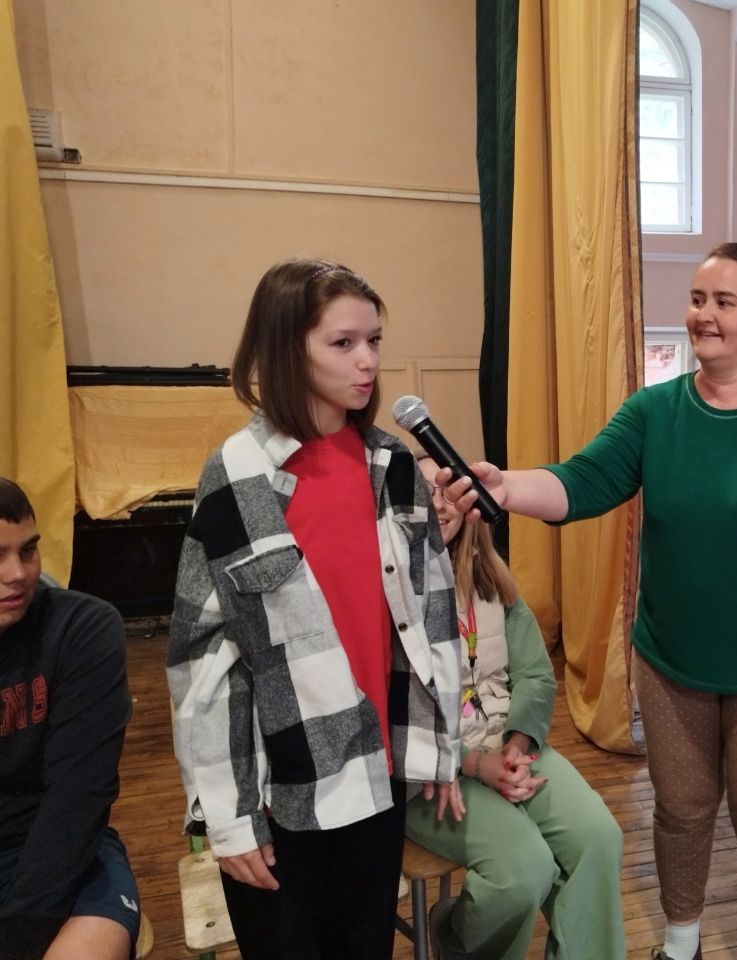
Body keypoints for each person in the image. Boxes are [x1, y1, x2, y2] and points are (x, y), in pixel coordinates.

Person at [441, 242, 737, 960]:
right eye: (698, 299)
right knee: (680, 813)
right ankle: (680, 946)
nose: (704, 315)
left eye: (724, 302)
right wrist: (506, 486)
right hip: (672, 666)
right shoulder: (655, 411)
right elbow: (582, 481)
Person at [167, 259, 463, 960]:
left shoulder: (393, 464)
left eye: (374, 340)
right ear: (285, 349)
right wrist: (227, 816)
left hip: (377, 775)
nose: (368, 361)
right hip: (285, 790)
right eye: (343, 343)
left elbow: (430, 619)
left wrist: (441, 743)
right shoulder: (238, 472)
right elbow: (205, 658)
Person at [404, 457, 626, 960]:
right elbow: (392, 713)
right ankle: (457, 936)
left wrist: (516, 747)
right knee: (524, 870)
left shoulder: (491, 583)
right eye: (423, 492)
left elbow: (535, 675)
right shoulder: (386, 592)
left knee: (598, 840)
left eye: (447, 490)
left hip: (507, 746)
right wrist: (474, 764)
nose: (439, 504)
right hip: (432, 771)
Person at [0, 478, 140, 960]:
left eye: (28, 550)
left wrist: (18, 936)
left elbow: (80, 795)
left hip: (61, 851)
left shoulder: (81, 628)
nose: (17, 573)